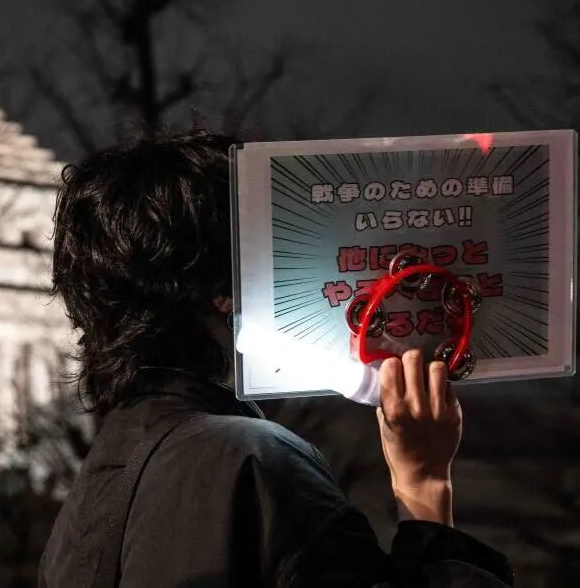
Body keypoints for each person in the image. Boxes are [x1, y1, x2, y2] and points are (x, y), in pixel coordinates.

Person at [39, 129, 514, 588]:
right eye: (277, 246)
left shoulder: (90, 494)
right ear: (227, 286)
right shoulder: (254, 459)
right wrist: (424, 485)